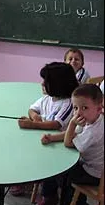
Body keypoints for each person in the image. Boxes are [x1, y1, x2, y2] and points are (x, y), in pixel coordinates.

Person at [39, 84, 103, 205]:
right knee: (64, 175)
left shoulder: (94, 131)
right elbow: (73, 134)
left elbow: (69, 142)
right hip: (91, 167)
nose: (78, 112)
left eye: (84, 108)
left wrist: (72, 122)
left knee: (60, 172)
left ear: (98, 109)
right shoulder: (94, 119)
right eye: (75, 108)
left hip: (93, 173)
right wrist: (52, 138)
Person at [10, 62, 79, 197]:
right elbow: (32, 109)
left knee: (51, 169)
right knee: (21, 149)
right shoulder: (48, 98)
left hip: (59, 145)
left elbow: (56, 125)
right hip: (45, 140)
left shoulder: (69, 103)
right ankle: (24, 180)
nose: (42, 84)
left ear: (58, 84)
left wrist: (33, 124)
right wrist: (35, 116)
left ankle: (48, 197)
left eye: (46, 81)